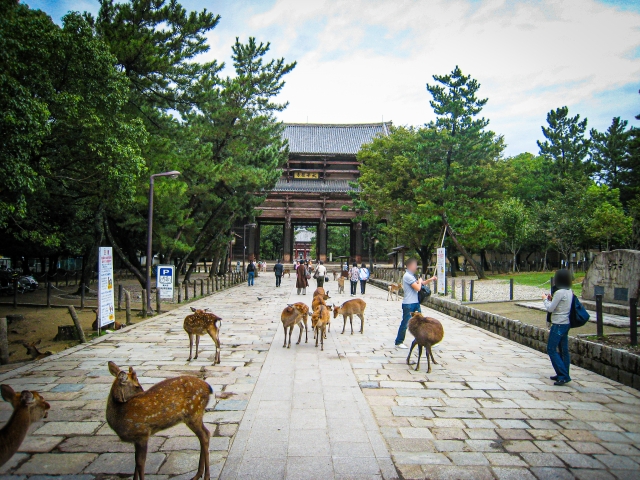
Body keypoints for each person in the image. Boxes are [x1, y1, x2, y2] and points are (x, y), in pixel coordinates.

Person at [395, 258, 437, 349]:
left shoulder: (412, 276)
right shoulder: (407, 276)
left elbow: (421, 284)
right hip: (409, 304)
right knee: (406, 322)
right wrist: (420, 282)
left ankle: (425, 340)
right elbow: (418, 288)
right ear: (410, 266)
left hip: (415, 303)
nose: (416, 267)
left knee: (421, 322)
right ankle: (399, 341)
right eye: (414, 265)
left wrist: (431, 279)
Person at [543, 269, 573, 386]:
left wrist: (545, 299)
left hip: (558, 323)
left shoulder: (560, 292)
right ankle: (563, 372)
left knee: (551, 349)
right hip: (566, 323)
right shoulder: (569, 291)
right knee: (564, 350)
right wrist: (552, 299)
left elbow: (550, 308)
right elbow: (560, 305)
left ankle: (563, 375)